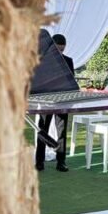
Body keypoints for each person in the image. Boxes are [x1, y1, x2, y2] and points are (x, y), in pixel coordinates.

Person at [35, 32, 74, 173]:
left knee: (62, 132)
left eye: (62, 50)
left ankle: (61, 162)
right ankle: (39, 162)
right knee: (42, 131)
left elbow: (71, 83)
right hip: (46, 102)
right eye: (58, 49)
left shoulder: (69, 61)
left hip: (62, 103)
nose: (60, 53)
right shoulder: (42, 62)